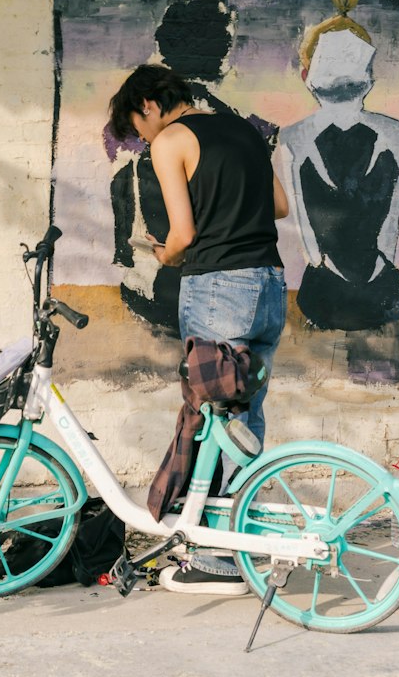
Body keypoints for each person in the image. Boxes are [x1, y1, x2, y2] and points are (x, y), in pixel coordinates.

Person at [108, 62, 288, 596]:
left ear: (149, 106)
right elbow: (278, 205)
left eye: (139, 129)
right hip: (270, 282)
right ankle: (239, 543)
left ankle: (218, 557)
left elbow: (183, 234)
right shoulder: (243, 131)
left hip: (218, 287)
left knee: (212, 415)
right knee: (244, 416)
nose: (144, 140)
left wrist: (165, 254)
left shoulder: (171, 141)